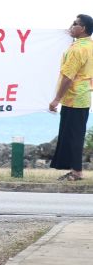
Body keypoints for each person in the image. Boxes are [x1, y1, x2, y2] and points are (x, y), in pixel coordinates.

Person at [49, 14, 93, 181]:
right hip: (84, 96)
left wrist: (56, 99)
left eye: (75, 24)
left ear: (83, 29)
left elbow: (68, 76)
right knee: (74, 134)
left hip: (74, 97)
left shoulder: (77, 49)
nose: (71, 26)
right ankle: (74, 170)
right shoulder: (89, 46)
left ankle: (77, 172)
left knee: (73, 135)